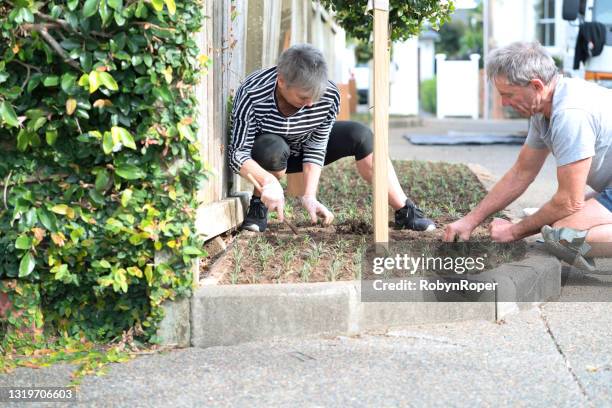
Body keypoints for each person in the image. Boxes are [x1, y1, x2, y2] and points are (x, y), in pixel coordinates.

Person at [228, 43, 435, 233]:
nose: (310, 104)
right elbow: (237, 152)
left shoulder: (329, 95)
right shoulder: (252, 92)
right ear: (281, 81)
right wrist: (268, 181)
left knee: (361, 135)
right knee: (272, 148)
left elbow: (317, 145)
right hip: (269, 154)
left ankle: (405, 210)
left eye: (315, 97)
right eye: (303, 97)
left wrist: (309, 195)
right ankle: (259, 205)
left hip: (302, 147)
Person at [443, 41, 612, 271]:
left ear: (536, 85)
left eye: (508, 95)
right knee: (552, 225)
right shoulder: (543, 109)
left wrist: (513, 231)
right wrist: (469, 221)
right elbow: (521, 173)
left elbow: (568, 201)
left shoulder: (570, 114)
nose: (505, 103)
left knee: (563, 234)